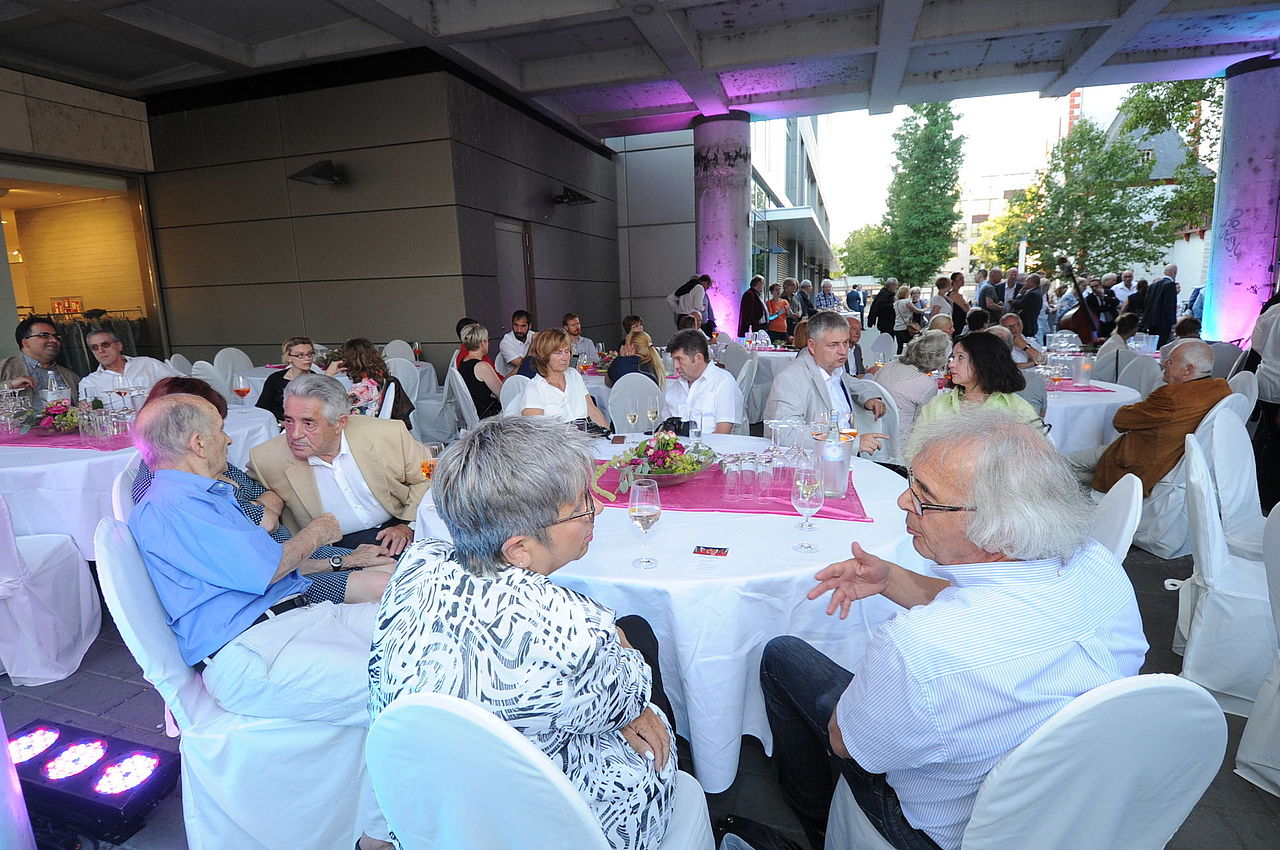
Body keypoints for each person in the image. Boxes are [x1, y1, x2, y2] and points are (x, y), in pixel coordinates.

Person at [758, 409, 1146, 850]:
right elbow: (994, 612)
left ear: (997, 531)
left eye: (924, 497)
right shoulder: (1099, 566)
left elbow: (845, 743)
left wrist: (870, 693)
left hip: (941, 831)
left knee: (781, 655)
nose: (904, 503)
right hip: (1083, 800)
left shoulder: (919, 646)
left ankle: (813, 823)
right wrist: (890, 579)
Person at [368, 417, 679, 850]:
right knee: (640, 643)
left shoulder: (418, 563)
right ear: (518, 549)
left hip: (443, 816)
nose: (599, 509)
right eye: (582, 506)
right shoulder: (575, 629)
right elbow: (630, 688)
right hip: (566, 826)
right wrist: (619, 655)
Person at [128, 392, 398, 850]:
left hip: (295, 621)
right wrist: (318, 533)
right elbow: (262, 570)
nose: (227, 439)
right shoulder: (172, 506)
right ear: (197, 442)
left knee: (422, 632)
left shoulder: (202, 497)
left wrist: (344, 558)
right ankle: (378, 838)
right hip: (251, 652)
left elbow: (263, 563)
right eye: (218, 431)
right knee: (403, 694)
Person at [132, 376, 393, 578]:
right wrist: (332, 550)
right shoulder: (170, 494)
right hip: (288, 572)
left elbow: (269, 502)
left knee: (395, 570)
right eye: (216, 427)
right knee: (391, 577)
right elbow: (257, 553)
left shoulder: (210, 472)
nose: (228, 439)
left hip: (291, 557)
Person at [249, 374, 429, 552]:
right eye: (289, 421)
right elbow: (244, 502)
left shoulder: (386, 434)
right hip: (332, 549)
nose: (295, 434)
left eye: (309, 423)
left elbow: (427, 477)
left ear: (339, 423)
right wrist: (268, 502)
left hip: (397, 526)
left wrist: (408, 525)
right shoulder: (265, 458)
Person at [1066, 340, 1230, 496]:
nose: (1163, 363)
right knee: (1080, 475)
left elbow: (1121, 420)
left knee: (1063, 465)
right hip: (1178, 463)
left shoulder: (1171, 396)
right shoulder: (1221, 388)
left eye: (1170, 361)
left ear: (1188, 370)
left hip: (1141, 461)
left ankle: (1088, 507)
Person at [764, 311, 887, 451]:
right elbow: (787, 434)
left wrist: (869, 398)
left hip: (844, 459)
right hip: (813, 465)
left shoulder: (834, 368)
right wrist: (850, 443)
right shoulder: (791, 378)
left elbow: (851, 382)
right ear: (812, 346)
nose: (843, 351)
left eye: (845, 343)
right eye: (833, 345)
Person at [910, 332, 1036, 454]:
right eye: (952, 357)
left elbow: (1038, 457)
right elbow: (914, 451)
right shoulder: (936, 405)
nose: (952, 364)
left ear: (984, 362)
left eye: (961, 357)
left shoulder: (1017, 408)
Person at [871, 329, 947, 450]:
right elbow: (922, 424)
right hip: (901, 444)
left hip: (873, 431)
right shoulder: (927, 385)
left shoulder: (890, 365)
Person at [520, 327, 610, 429]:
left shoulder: (574, 375)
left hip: (586, 439)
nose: (565, 357)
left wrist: (610, 437)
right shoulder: (534, 388)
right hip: (556, 443)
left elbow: (593, 412)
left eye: (567, 351)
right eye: (558, 353)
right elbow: (536, 433)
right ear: (544, 356)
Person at [663, 329, 741, 434]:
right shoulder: (676, 385)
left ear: (698, 358)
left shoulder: (723, 382)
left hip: (711, 447)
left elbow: (723, 433)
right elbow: (663, 427)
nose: (675, 366)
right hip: (675, 448)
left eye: (679, 359)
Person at [76, 328, 179, 407]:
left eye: (105, 344)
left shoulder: (148, 363)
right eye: (95, 347)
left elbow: (183, 383)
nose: (100, 350)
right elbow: (88, 413)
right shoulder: (89, 382)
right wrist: (83, 407)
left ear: (119, 346)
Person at [256, 336, 343, 420]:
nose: (308, 358)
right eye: (301, 355)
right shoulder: (275, 379)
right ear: (289, 358)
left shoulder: (314, 378)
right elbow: (262, 408)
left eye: (310, 354)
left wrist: (327, 376)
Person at [1, 315, 79, 404]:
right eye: (44, 335)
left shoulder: (70, 376)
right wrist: (9, 386)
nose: (54, 340)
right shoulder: (4, 367)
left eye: (56, 336)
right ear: (26, 342)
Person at [338, 338, 415, 428]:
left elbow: (337, 410)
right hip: (375, 424)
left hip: (360, 429)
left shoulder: (362, 389)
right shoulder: (380, 379)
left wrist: (327, 375)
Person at [1252, 298, 1280, 510]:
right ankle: (1270, 499)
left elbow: (1257, 345)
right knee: (1274, 443)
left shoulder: (1274, 309)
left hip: (1265, 380)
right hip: (1278, 387)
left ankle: (1256, 488)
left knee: (1266, 434)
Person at [988, 325, 1046, 417]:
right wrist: (1032, 363)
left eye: (1016, 324)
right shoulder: (1035, 380)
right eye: (1009, 326)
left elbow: (1042, 360)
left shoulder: (978, 381)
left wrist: (1025, 346)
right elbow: (1041, 417)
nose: (1013, 328)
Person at [458, 323, 503, 418]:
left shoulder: (463, 362)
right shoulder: (482, 366)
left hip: (475, 413)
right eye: (487, 341)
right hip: (490, 415)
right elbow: (502, 393)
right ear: (482, 343)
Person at [1094, 313, 1141, 383]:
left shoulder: (1114, 342)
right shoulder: (1119, 349)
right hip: (1109, 381)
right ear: (1133, 329)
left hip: (1102, 378)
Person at [1141, 264, 1179, 347]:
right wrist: (1173, 322)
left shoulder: (1153, 285)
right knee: (1161, 345)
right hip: (1163, 322)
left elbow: (1147, 302)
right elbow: (1169, 305)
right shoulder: (1170, 285)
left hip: (1151, 321)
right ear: (1175, 273)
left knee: (1152, 345)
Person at [498, 310, 535, 376]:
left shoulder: (532, 335)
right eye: (516, 325)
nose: (519, 330)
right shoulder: (506, 342)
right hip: (516, 380)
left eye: (523, 326)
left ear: (529, 326)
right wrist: (533, 344)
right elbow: (524, 366)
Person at [892, 285, 926, 353]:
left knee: (900, 346)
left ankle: (898, 360)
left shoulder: (896, 303)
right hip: (906, 327)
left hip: (897, 327)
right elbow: (916, 310)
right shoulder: (906, 302)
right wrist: (925, 310)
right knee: (912, 344)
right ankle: (909, 359)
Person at [1086, 275, 1122, 339]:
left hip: (1112, 319)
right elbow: (1096, 310)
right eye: (1092, 287)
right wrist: (1108, 306)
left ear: (1100, 285)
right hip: (1101, 321)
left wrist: (1104, 296)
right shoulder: (1090, 298)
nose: (1094, 288)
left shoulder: (1109, 292)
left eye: (1096, 286)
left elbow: (1116, 302)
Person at [1010, 272, 1043, 338]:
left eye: (1027, 281)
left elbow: (1018, 305)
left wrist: (1018, 295)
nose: (1025, 283)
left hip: (1027, 324)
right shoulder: (1034, 292)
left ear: (1032, 282)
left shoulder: (1032, 294)